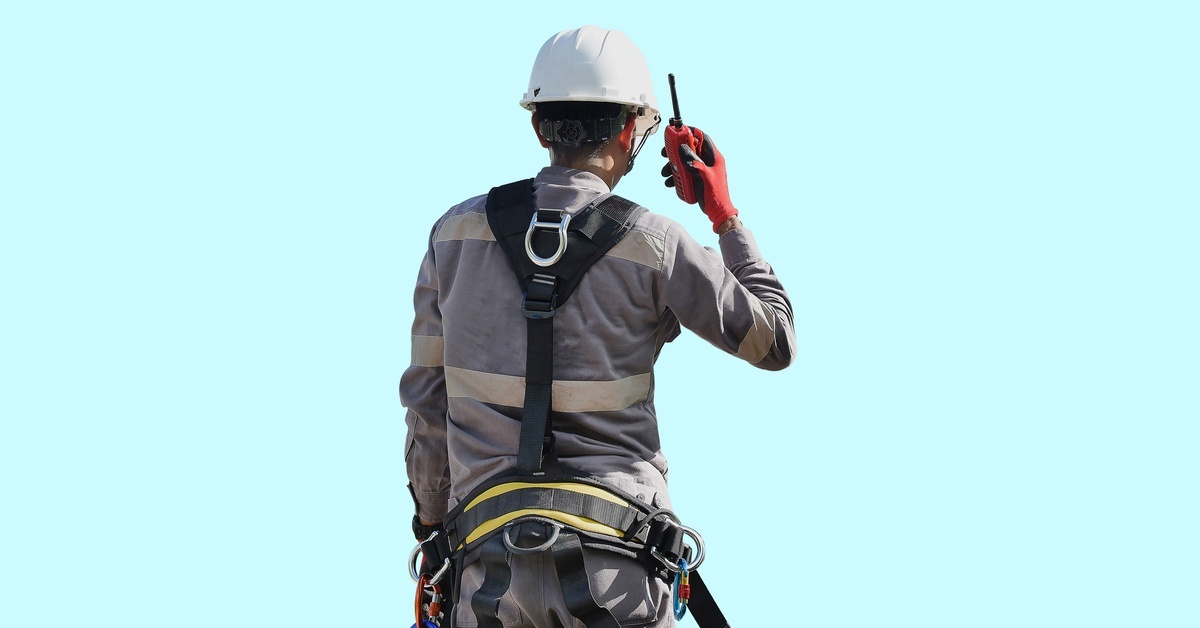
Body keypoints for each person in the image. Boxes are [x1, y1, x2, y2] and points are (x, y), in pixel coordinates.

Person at [400, 25, 796, 628]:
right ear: (628, 131)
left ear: (538, 126)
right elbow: (775, 340)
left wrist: (431, 532)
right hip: (620, 571)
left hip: (484, 571)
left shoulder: (451, 237)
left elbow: (427, 407)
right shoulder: (655, 244)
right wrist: (724, 215)